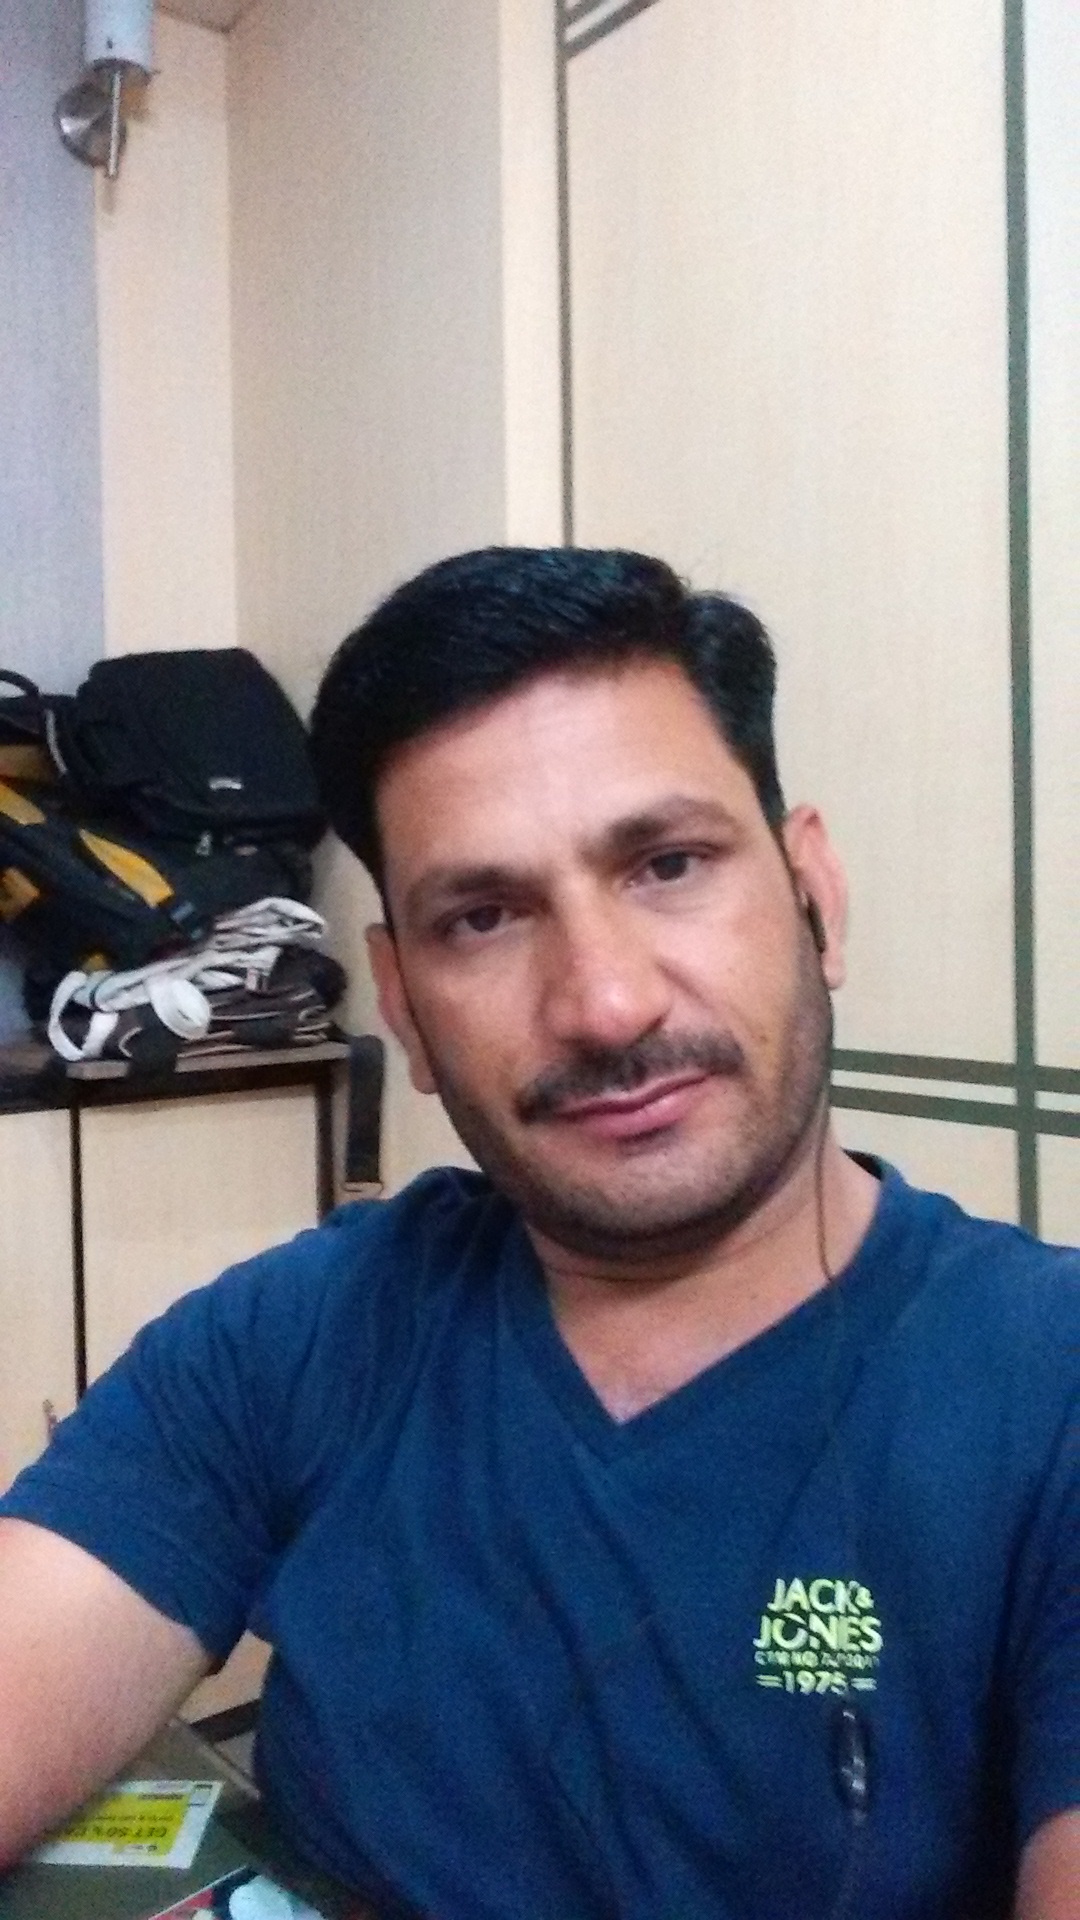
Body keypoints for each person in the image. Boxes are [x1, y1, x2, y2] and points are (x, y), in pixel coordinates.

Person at [0, 546, 1077, 1919]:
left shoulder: (1047, 1387)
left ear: (816, 895)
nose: (605, 1004)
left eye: (668, 864)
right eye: (484, 917)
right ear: (404, 1003)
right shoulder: (296, 1337)